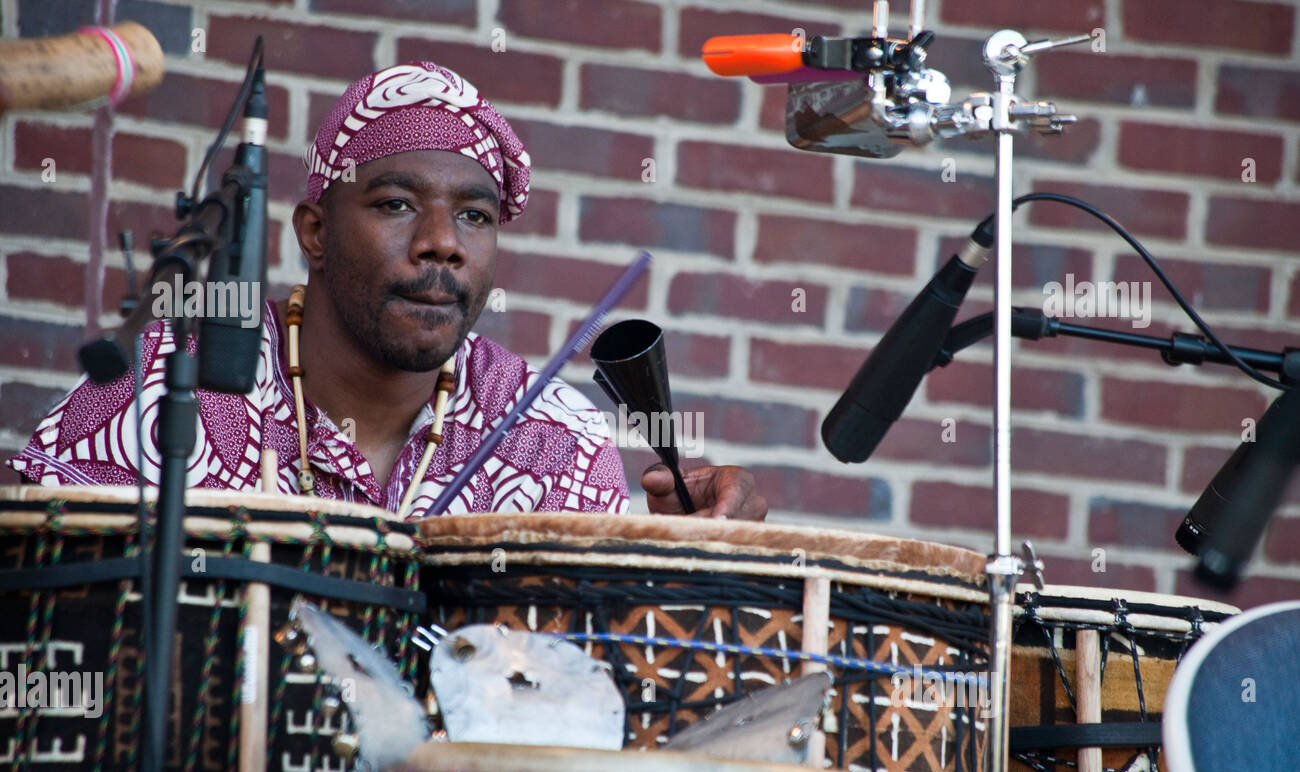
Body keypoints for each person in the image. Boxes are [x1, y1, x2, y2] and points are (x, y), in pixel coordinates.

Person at [8, 61, 767, 521]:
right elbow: (42, 604)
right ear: (314, 232)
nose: (443, 241)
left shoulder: (552, 441)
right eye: (396, 204)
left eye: (474, 214)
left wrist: (676, 570)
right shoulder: (165, 387)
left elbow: (588, 699)